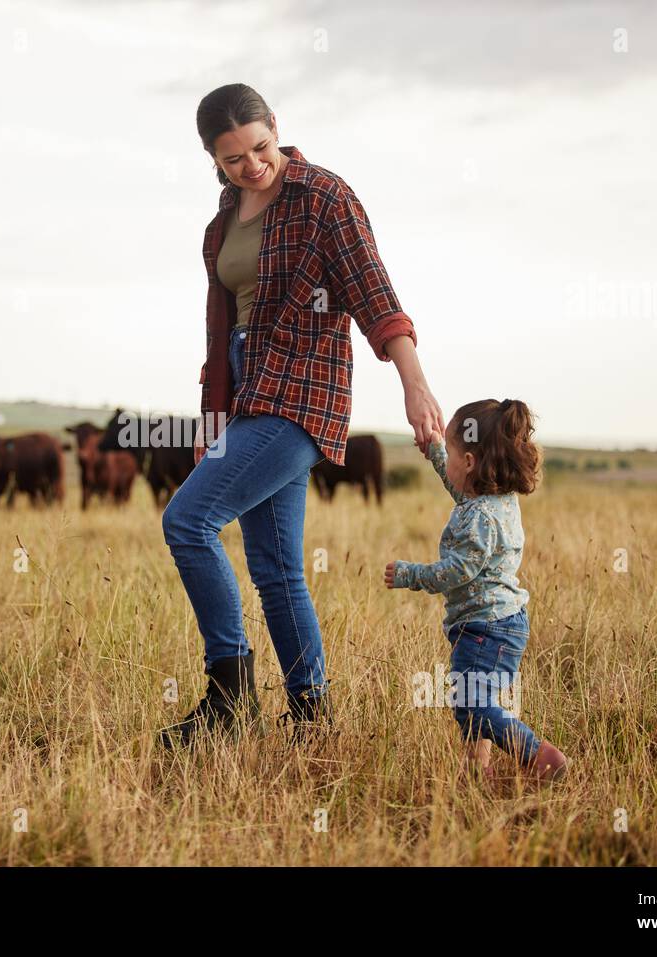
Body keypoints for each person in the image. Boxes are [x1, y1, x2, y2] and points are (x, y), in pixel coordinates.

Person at [159, 83, 445, 748]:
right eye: (232, 159)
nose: (251, 165)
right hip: (248, 392)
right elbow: (219, 333)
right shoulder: (221, 223)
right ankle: (314, 720)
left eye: (259, 148)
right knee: (276, 565)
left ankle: (229, 698)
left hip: (303, 392)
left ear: (275, 129)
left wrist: (413, 380)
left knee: (187, 520)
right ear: (214, 160)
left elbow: (375, 293)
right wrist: (214, 418)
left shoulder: (324, 197)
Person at [384, 399, 568, 785]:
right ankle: (475, 772)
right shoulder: (492, 500)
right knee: (477, 700)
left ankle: (536, 754)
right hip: (499, 624)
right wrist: (435, 449)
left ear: (469, 462)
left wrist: (409, 574)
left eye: (451, 454)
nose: (447, 463)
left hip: (486, 628)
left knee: (470, 704)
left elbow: (457, 572)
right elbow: (454, 481)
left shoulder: (479, 518)